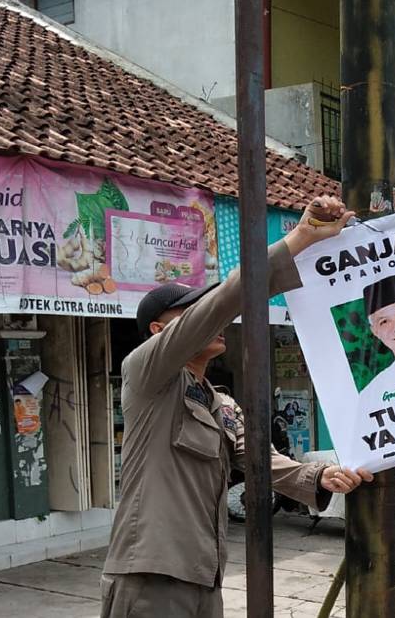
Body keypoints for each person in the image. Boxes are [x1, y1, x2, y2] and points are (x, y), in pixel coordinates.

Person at [101, 195, 373, 618]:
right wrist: (300, 237)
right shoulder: (146, 374)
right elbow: (226, 299)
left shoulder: (219, 403)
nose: (211, 319)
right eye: (188, 311)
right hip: (150, 576)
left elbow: (264, 463)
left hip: (204, 576)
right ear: (158, 331)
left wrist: (321, 476)